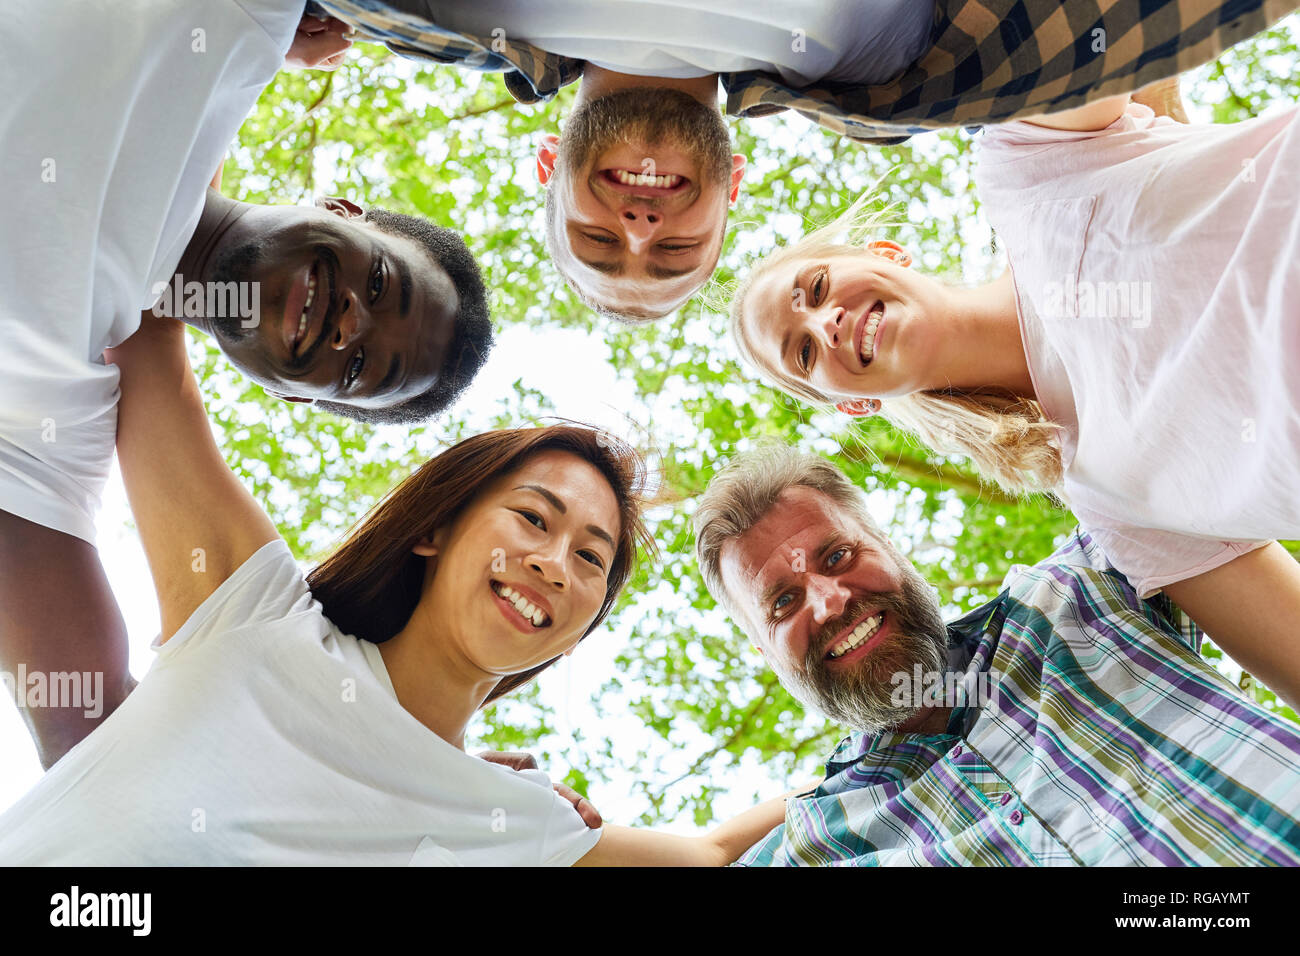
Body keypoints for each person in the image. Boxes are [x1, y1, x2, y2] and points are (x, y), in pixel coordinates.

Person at [0, 317, 790, 865]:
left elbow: (711, 854)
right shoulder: (253, 612)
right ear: (434, 529)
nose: (555, 563)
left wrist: (888, 742)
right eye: (531, 518)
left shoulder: (512, 823)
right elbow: (149, 344)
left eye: (592, 559)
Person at [0, 1, 493, 767]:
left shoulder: (54, 429)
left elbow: (92, 741)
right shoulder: (226, 33)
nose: (348, 323)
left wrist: (417, 785)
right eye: (384, 280)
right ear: (343, 209)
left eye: (359, 368)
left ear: (297, 397)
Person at [727, 75, 1300, 710]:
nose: (823, 321)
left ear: (887, 254)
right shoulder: (1117, 511)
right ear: (853, 404)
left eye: (814, 288)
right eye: (803, 352)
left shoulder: (1024, 168)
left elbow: (1124, 34)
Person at [308, 0, 1290, 321]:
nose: (640, 229)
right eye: (672, 252)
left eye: (598, 240)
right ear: (732, 190)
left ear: (542, 170)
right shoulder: (897, 80)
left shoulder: (448, 19)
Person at [692, 444, 1300, 865]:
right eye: (782, 602)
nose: (827, 603)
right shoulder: (811, 844)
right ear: (764, 651)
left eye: (837, 557)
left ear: (888, 546)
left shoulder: (1084, 582)